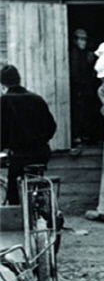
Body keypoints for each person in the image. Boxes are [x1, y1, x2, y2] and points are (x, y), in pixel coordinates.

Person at [0, 65, 57, 205]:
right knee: (36, 174)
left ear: (2, 84)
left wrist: (3, 146)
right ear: (19, 80)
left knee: (13, 184)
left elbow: (1, 131)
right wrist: (41, 140)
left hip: (19, 155)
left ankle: (16, 210)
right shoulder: (37, 99)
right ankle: (42, 201)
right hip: (42, 153)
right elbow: (52, 126)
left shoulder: (4, 101)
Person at [69, 28, 100, 146]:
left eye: (85, 39)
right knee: (78, 113)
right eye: (80, 39)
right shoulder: (74, 54)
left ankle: (83, 136)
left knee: (85, 113)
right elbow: (76, 73)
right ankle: (78, 136)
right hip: (78, 90)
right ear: (75, 40)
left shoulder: (84, 54)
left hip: (85, 89)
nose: (83, 42)